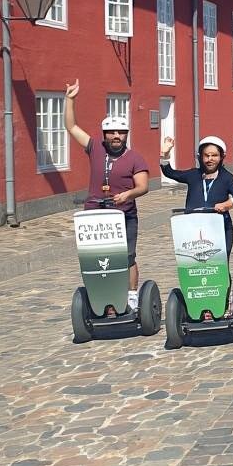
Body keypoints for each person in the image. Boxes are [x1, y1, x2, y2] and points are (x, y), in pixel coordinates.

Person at [64, 80, 150, 309]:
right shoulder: (95, 147)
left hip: (123, 214)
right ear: (104, 134)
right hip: (95, 214)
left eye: (121, 132)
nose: (116, 136)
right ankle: (100, 295)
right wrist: (70, 99)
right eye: (111, 132)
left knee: (127, 256)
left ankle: (131, 296)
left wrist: (128, 195)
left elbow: (143, 186)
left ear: (126, 135)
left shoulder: (135, 157)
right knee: (96, 258)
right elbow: (71, 127)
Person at [160, 135, 233, 255]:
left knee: (219, 268)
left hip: (220, 227)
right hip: (194, 229)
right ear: (200, 157)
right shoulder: (193, 175)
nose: (210, 159)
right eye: (206, 155)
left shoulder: (227, 178)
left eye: (214, 155)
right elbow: (170, 173)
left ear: (222, 157)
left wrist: (226, 205)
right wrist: (164, 154)